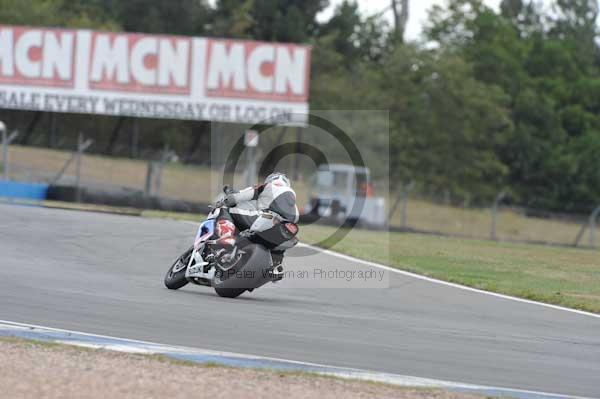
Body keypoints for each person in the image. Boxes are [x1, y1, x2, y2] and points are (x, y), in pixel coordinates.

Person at [187, 173, 299, 280]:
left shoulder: (268, 186)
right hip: (285, 227)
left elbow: (244, 194)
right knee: (279, 245)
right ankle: (275, 266)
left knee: (225, 210)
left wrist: (227, 200)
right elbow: (295, 218)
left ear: (270, 180)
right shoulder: (292, 201)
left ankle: (226, 236)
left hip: (266, 218)